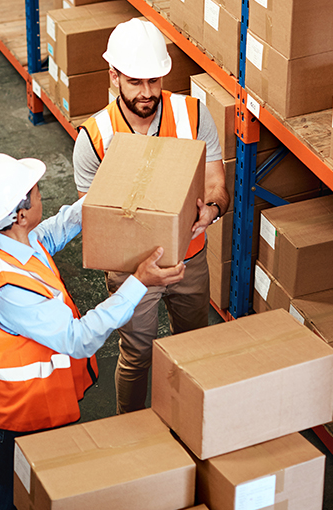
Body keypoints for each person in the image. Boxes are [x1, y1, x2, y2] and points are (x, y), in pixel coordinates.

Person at [0, 153, 185, 510]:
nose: (40, 196)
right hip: (24, 415)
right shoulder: (9, 289)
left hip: (34, 400)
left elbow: (46, 236)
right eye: (35, 193)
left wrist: (99, 199)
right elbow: (78, 339)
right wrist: (139, 283)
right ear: (19, 215)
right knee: (23, 496)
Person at [73, 18, 230, 414]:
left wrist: (210, 210)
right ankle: (132, 431)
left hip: (189, 258)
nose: (147, 93)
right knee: (137, 353)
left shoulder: (193, 115)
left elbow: (216, 182)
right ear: (113, 76)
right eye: (136, 82)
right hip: (131, 271)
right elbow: (97, 220)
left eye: (155, 81)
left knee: (193, 346)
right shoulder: (95, 137)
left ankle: (190, 419)